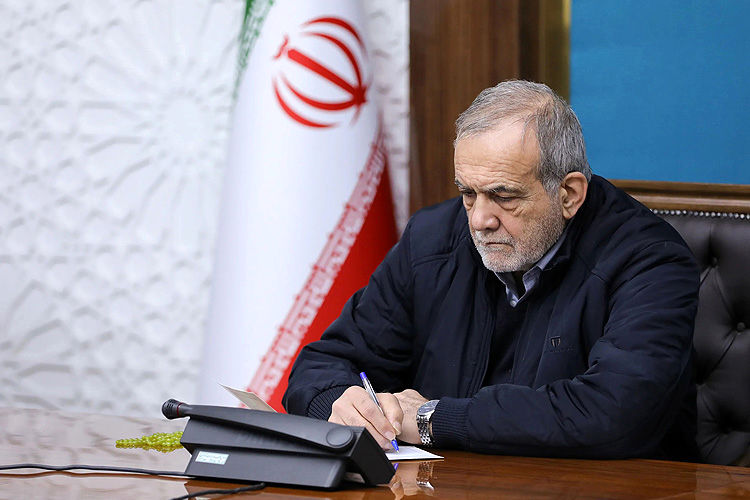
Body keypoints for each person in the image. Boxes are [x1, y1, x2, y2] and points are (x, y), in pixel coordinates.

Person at [283, 80, 700, 460]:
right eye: (468, 193)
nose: (480, 220)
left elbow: (613, 414)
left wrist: (431, 419)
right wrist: (340, 402)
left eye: (504, 196)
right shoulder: (431, 240)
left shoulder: (651, 260)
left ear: (569, 194)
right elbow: (321, 365)